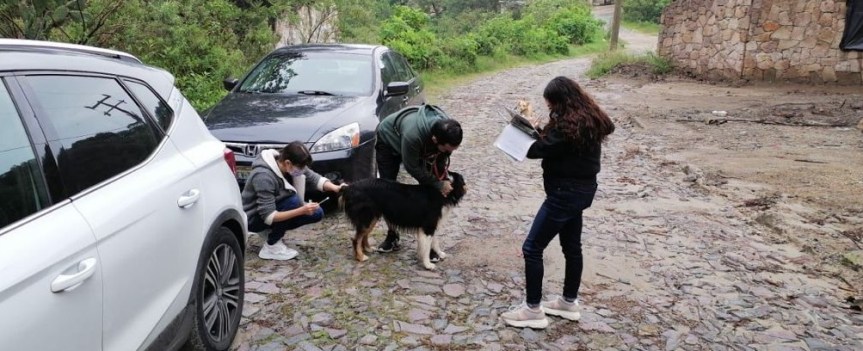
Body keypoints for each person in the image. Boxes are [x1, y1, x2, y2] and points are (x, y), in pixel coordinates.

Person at [501, 76, 615, 329]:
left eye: (551, 106)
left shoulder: (566, 128)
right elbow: (554, 143)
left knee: (532, 248)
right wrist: (537, 128)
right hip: (583, 191)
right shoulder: (588, 119)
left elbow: (536, 150)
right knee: (572, 247)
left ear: (561, 102)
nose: (550, 110)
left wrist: (523, 128)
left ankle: (532, 310)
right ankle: (568, 302)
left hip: (564, 193)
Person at [374, 104, 463, 261]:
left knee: (429, 192)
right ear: (435, 140)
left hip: (423, 144)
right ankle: (392, 236)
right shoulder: (413, 135)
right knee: (388, 191)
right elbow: (412, 167)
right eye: (447, 149)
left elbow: (440, 161)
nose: (449, 153)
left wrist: (441, 180)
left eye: (452, 150)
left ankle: (428, 239)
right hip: (389, 142)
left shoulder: (447, 130)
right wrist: (437, 184)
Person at [242, 141, 346, 260]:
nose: (302, 171)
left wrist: (336, 188)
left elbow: (314, 178)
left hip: (274, 208)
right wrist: (301, 210)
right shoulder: (263, 176)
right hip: (253, 217)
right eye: (300, 168)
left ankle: (271, 232)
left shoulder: (291, 165)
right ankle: (271, 246)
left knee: (317, 213)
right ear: (287, 163)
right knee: (293, 201)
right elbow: (268, 216)